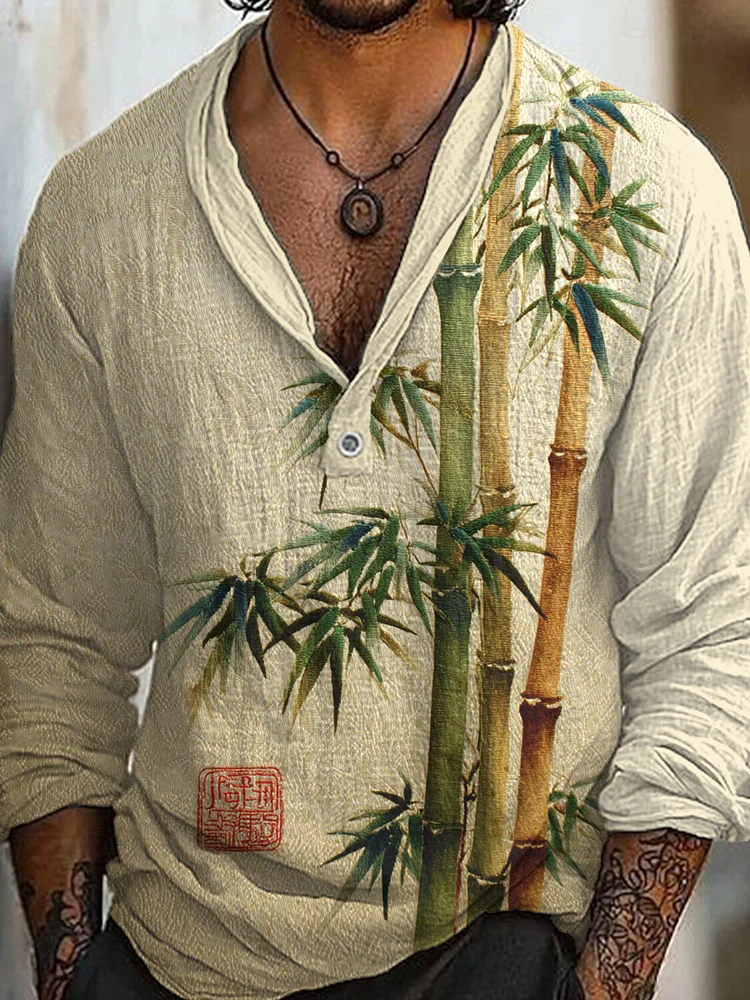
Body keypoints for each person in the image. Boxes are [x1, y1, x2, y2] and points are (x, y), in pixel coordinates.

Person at [1, 0, 748, 996]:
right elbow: (56, 641)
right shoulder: (104, 208)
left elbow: (706, 632)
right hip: (179, 962)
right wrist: (73, 977)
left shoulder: (643, 188)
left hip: (514, 960)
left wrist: (603, 985)